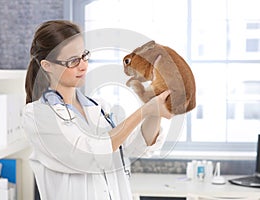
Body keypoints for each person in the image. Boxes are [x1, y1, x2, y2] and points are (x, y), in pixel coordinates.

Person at [23, 20, 173, 200]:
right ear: (47, 66)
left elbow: (137, 145)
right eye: (73, 61)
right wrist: (144, 111)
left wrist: (155, 110)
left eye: (84, 55)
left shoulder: (101, 108)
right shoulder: (39, 116)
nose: (83, 65)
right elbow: (91, 155)